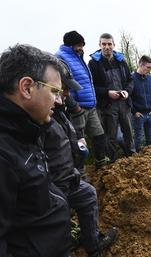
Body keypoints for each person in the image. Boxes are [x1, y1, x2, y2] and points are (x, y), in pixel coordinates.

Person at [0, 44, 71, 257]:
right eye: (54, 91)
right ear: (27, 87)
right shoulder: (4, 152)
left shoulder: (26, 131)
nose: (59, 101)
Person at [43, 62, 118, 257]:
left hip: (69, 176)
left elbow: (66, 140)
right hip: (52, 185)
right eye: (62, 89)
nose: (66, 93)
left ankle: (92, 244)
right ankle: (66, 244)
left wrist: (77, 148)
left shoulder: (60, 110)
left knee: (88, 194)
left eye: (66, 89)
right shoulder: (40, 115)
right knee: (58, 220)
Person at [56, 30, 109, 169]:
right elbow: (63, 86)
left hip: (90, 106)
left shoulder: (78, 57)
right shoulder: (61, 58)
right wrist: (74, 105)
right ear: (70, 45)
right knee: (79, 142)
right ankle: (79, 170)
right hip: (77, 108)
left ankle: (100, 163)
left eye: (82, 45)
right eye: (79, 45)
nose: (81, 48)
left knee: (99, 135)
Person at [89, 33, 135, 160]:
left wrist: (127, 91)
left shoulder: (121, 61)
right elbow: (92, 86)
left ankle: (131, 156)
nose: (107, 47)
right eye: (104, 44)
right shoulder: (94, 63)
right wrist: (107, 93)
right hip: (108, 105)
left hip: (124, 103)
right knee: (111, 135)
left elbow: (131, 81)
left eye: (109, 44)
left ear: (114, 45)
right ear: (99, 45)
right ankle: (113, 161)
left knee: (128, 132)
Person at [131, 55, 151, 152]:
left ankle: (149, 159)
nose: (150, 70)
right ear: (141, 65)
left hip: (150, 113)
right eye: (148, 67)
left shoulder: (150, 79)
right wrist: (134, 112)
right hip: (138, 114)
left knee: (150, 138)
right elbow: (128, 98)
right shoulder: (131, 78)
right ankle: (138, 160)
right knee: (139, 138)